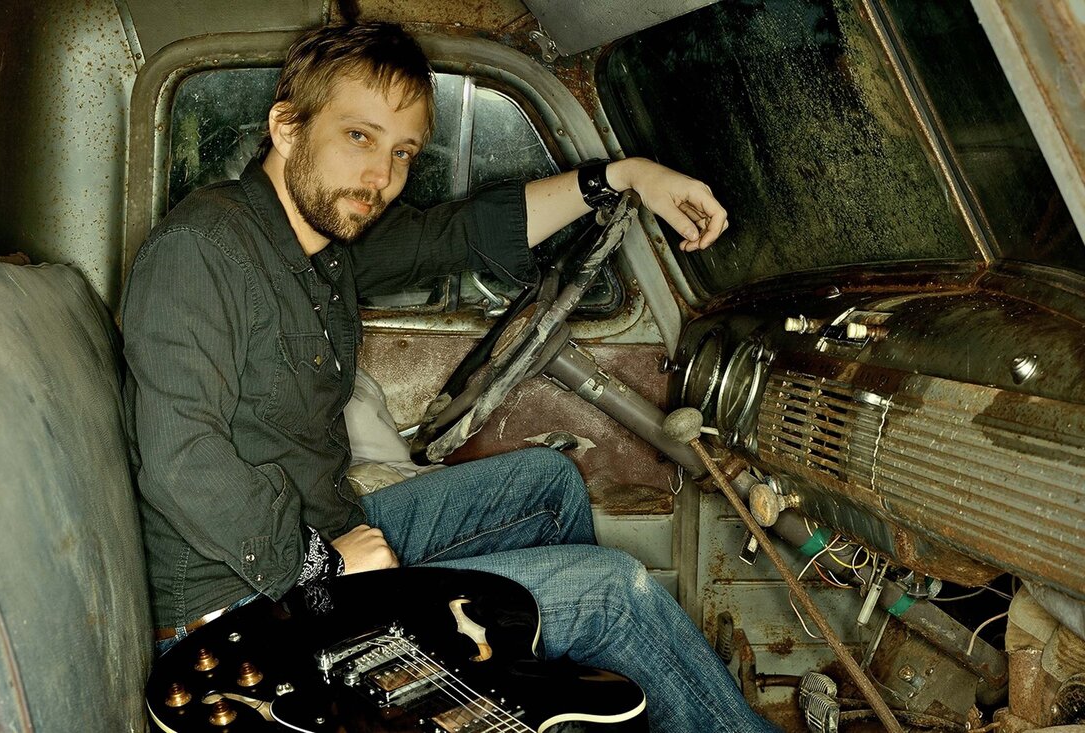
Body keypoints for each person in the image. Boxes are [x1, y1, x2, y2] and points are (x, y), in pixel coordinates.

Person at [122, 21, 774, 732]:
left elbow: (457, 232)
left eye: (402, 152)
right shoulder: (201, 248)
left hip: (326, 529)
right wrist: (315, 562)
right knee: (614, 593)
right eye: (359, 138)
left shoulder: (322, 244)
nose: (382, 179)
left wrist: (625, 178)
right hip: (244, 611)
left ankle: (537, 703)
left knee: (546, 483)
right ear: (286, 127)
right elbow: (181, 459)